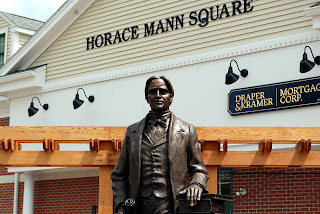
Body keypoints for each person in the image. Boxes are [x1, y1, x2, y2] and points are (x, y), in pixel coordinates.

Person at [111, 76, 209, 214]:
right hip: (138, 207)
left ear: (171, 96)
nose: (158, 95)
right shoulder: (132, 132)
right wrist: (121, 205)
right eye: (153, 92)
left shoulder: (187, 131)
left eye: (162, 91)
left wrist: (197, 184)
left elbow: (199, 170)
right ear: (147, 97)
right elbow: (118, 175)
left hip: (171, 207)